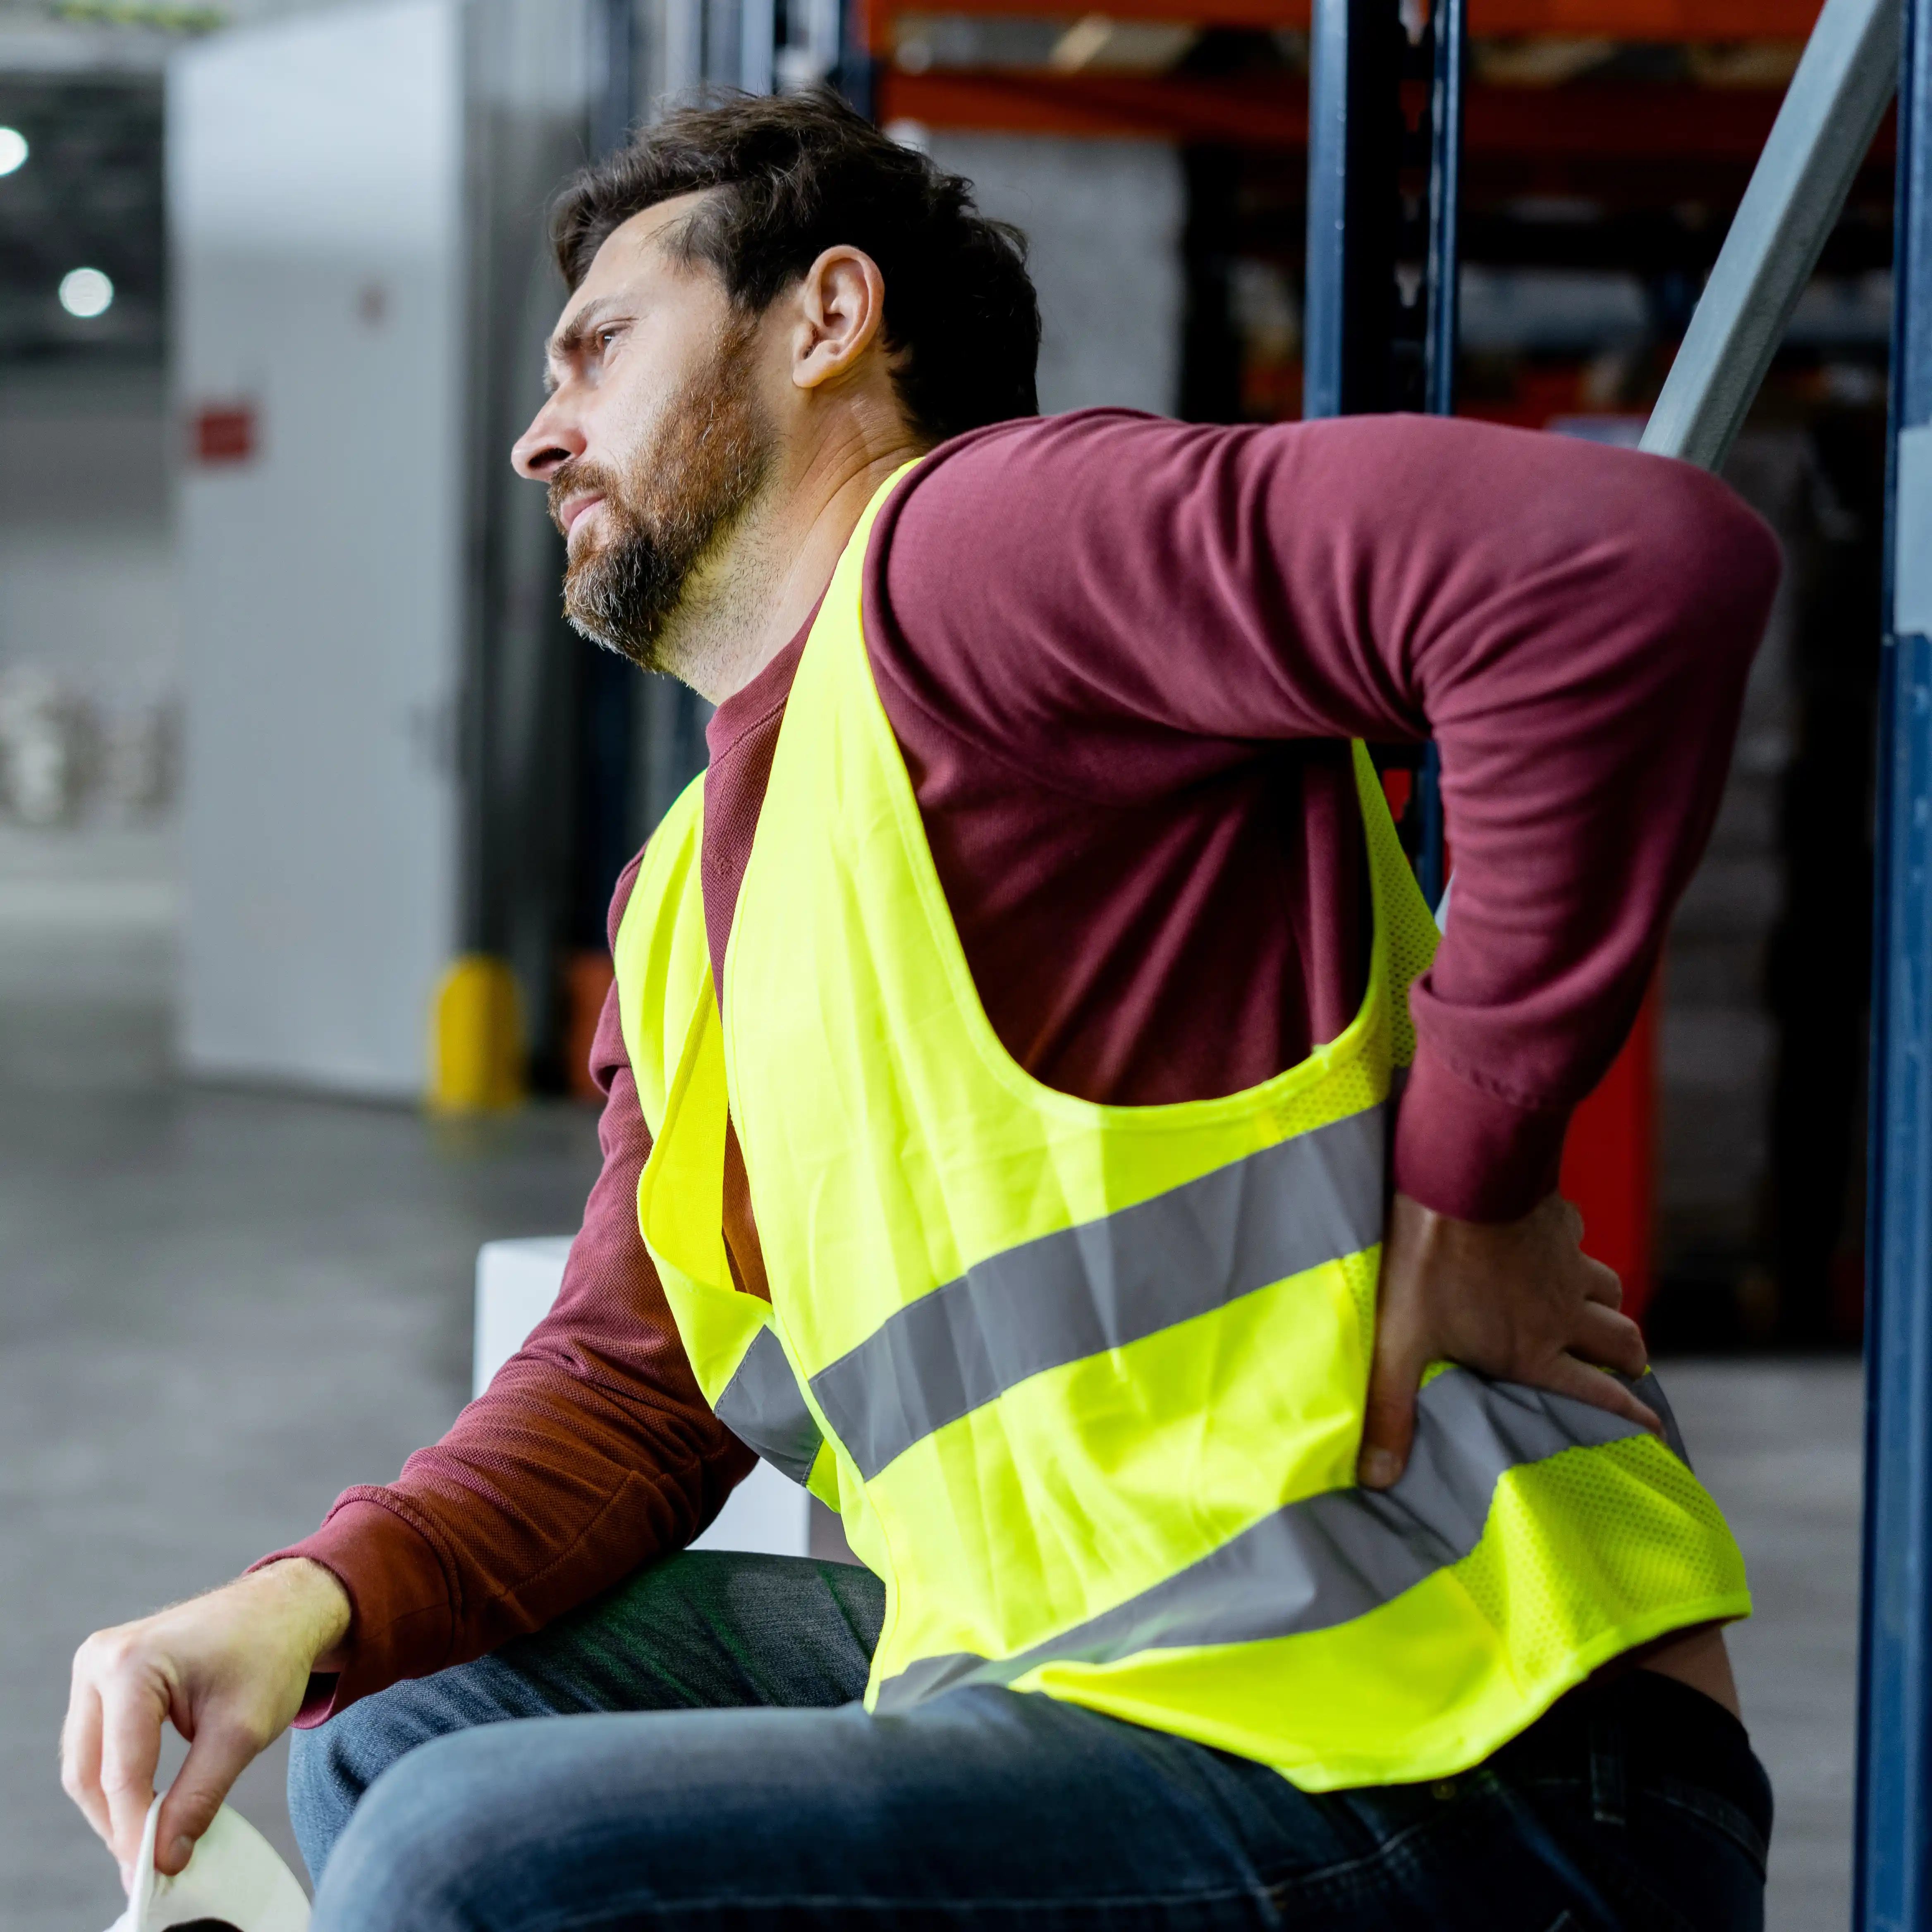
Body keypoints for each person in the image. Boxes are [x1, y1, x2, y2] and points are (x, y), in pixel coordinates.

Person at [64, 88, 1782, 1931]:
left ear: (825, 320)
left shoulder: (978, 556)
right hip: (1096, 1695)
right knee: (385, 1720)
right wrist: (311, 1594)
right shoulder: (687, 899)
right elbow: (630, 1395)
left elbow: (1613, 569)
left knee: (454, 1859)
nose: (534, 434)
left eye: (599, 347)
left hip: (1468, 1754)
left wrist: (1474, 1177)